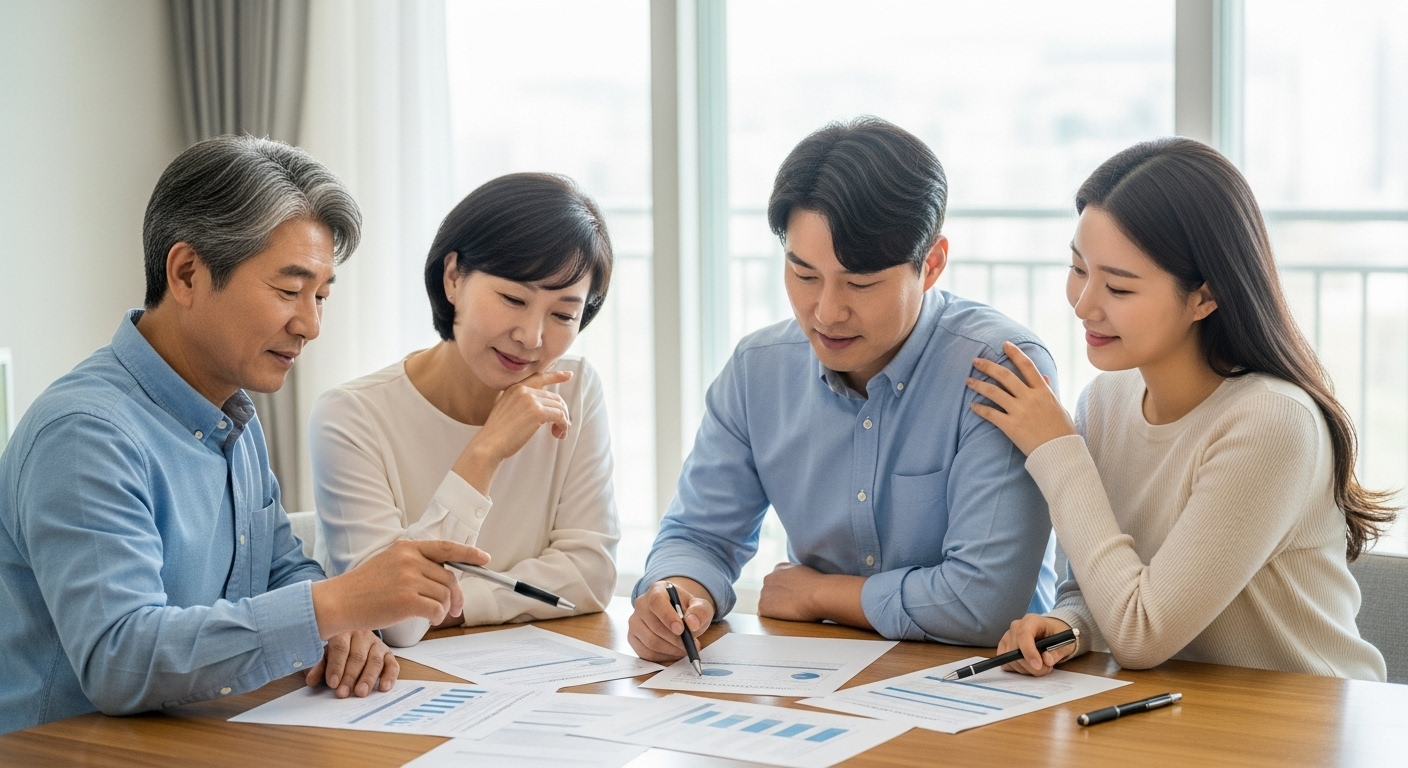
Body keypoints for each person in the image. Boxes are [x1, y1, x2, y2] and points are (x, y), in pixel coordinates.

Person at [0, 136, 492, 734]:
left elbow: (282, 568)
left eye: (321, 295)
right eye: (289, 291)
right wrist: (339, 604)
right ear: (186, 273)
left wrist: (346, 627)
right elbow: (121, 660)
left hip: (200, 736)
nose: (310, 324)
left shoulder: (230, 414)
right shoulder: (84, 434)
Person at [628, 117, 1059, 663]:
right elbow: (698, 536)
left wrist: (819, 593)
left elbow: (984, 603)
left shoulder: (999, 368)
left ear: (931, 264)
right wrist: (677, 596)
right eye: (804, 275)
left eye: (860, 283)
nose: (826, 313)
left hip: (986, 691)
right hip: (815, 685)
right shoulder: (757, 370)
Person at [969, 137, 1392, 681]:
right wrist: (1068, 626)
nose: (1083, 303)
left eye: (1118, 288)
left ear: (1204, 297)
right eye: (1079, 269)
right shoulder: (1103, 404)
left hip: (1304, 725)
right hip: (1185, 712)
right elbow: (1101, 593)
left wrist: (1056, 451)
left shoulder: (1272, 423)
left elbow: (1142, 634)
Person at [311, 173, 618, 647]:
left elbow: (590, 577)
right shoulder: (350, 417)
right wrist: (486, 450)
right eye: (514, 298)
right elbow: (395, 619)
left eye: (562, 315)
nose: (532, 337)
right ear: (453, 277)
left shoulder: (575, 389)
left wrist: (455, 604)